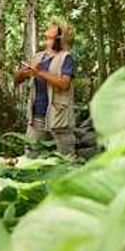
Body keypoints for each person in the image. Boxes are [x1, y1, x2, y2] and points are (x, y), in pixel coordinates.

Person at [15, 22, 76, 157]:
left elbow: (65, 84)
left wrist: (40, 73)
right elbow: (18, 80)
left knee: (66, 158)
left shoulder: (66, 58)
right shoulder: (38, 57)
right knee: (31, 155)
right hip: (37, 114)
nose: (47, 37)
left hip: (59, 116)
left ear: (60, 39)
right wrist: (23, 73)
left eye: (50, 36)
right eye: (47, 36)